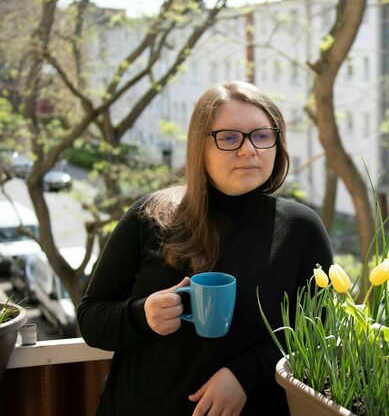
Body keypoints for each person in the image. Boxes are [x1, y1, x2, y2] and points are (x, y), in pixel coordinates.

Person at [77, 81, 333, 415]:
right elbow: (91, 318)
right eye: (229, 138)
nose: (248, 149)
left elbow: (321, 335)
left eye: (261, 135)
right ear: (201, 148)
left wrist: (247, 373)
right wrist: (143, 315)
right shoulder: (151, 216)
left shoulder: (300, 228)